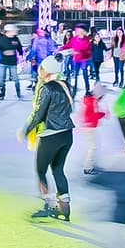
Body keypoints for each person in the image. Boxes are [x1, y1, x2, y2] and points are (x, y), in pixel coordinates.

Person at [24, 55, 75, 221]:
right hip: (67, 134)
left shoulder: (47, 88)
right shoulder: (66, 85)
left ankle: (48, 205)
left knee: (41, 170)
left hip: (51, 135)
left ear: (45, 70)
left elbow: (39, 114)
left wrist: (27, 129)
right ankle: (65, 209)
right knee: (58, 170)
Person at [81, 82, 107, 174]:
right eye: (101, 96)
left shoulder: (90, 100)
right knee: (93, 147)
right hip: (89, 127)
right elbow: (91, 116)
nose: (102, 98)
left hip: (89, 126)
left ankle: (90, 164)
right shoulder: (92, 102)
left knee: (93, 146)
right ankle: (87, 167)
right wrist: (102, 114)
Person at [60, 24, 93, 95]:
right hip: (76, 59)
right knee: (75, 74)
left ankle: (87, 89)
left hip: (84, 59)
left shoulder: (86, 39)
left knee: (85, 74)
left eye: (78, 30)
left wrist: (78, 52)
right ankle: (74, 89)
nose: (76, 31)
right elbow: (68, 45)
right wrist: (60, 48)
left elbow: (87, 49)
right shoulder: (74, 38)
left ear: (83, 31)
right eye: (76, 30)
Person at [0, 23, 24, 100]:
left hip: (13, 63)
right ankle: (2, 93)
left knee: (16, 79)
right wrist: (3, 52)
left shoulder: (16, 39)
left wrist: (21, 56)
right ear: (9, 31)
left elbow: (19, 48)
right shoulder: (1, 40)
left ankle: (18, 93)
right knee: (1, 79)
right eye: (14, 30)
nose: (16, 32)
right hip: (3, 62)